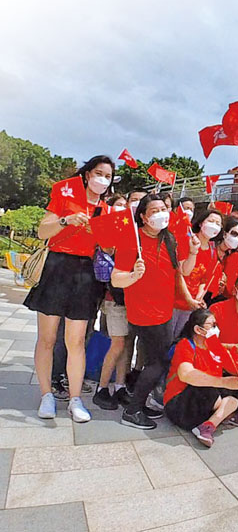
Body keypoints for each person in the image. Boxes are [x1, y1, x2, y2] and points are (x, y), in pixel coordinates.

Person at [28, 156, 115, 422]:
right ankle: (46, 395)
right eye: (98, 173)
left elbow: (110, 248)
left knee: (76, 340)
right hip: (57, 267)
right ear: (87, 175)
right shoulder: (65, 196)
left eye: (108, 176)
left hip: (85, 274)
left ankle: (75, 399)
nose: (102, 179)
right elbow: (43, 230)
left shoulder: (107, 211)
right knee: (48, 338)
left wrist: (101, 234)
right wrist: (67, 220)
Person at [112, 193, 195, 429]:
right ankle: (132, 410)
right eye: (154, 211)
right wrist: (133, 275)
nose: (161, 214)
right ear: (143, 217)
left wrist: (193, 251)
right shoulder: (132, 241)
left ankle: (139, 401)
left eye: (163, 209)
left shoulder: (168, 239)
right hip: (144, 313)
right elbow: (116, 279)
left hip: (164, 312)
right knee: (158, 363)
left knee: (153, 361)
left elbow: (183, 272)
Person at [163, 308, 238, 447]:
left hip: (205, 400)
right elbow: (186, 374)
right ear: (198, 329)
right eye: (213, 325)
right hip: (181, 405)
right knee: (209, 388)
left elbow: (232, 369)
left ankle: (209, 425)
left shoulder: (213, 345)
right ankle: (224, 414)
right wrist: (223, 382)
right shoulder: (185, 345)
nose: (217, 328)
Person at [92, 194, 135, 411]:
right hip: (115, 299)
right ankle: (102, 388)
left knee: (124, 345)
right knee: (117, 344)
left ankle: (119, 386)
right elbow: (105, 255)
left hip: (130, 299)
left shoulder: (134, 231)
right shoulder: (114, 229)